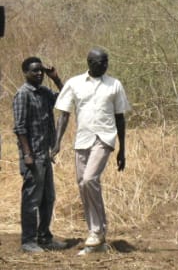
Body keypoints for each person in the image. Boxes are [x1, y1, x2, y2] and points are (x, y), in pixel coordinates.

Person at [54, 48, 130, 255]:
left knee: (89, 180)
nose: (104, 65)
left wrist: (122, 149)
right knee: (82, 185)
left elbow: (120, 118)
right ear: (89, 62)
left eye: (106, 62)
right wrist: (57, 142)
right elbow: (64, 114)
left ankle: (97, 231)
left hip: (104, 138)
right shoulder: (74, 83)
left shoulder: (114, 85)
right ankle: (96, 235)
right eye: (100, 62)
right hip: (82, 140)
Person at [12, 57, 68, 253]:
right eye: (34, 71)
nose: (39, 74)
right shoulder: (23, 95)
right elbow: (19, 127)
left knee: (48, 198)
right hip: (32, 155)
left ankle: (44, 237)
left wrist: (56, 78)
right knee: (31, 199)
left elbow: (66, 98)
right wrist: (27, 154)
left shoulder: (44, 92)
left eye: (41, 71)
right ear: (25, 72)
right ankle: (28, 241)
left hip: (44, 154)